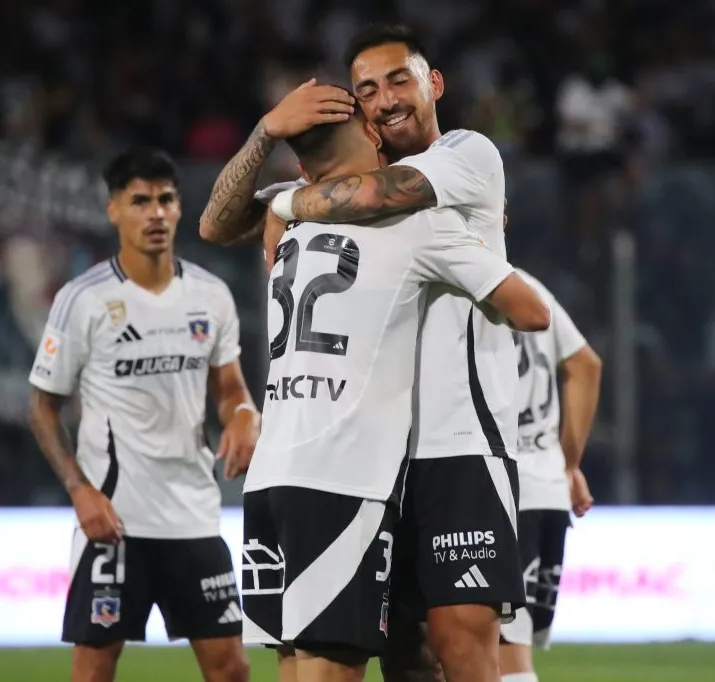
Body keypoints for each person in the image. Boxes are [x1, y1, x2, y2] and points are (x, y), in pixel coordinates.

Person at [203, 23, 550, 682]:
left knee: (463, 642)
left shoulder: (464, 155)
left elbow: (376, 196)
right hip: (366, 456)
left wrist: (288, 200)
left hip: (459, 441)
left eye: (399, 79)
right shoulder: (338, 198)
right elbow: (217, 223)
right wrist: (266, 131)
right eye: (367, 89)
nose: (386, 98)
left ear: (433, 83)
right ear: (356, 110)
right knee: (399, 656)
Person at [26, 147, 258, 682]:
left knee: (232, 670)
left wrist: (245, 412)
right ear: (113, 210)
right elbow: (42, 406)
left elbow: (229, 387)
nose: (155, 212)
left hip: (193, 515)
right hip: (115, 519)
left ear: (179, 208)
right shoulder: (81, 299)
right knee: (94, 670)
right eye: (140, 201)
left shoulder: (210, 295)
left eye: (165, 200)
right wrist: (80, 491)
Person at [499, 270, 601, 682]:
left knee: (496, 655)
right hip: (545, 490)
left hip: (502, 491)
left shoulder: (461, 276)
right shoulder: (527, 285)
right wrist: (568, 464)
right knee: (508, 653)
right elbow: (585, 364)